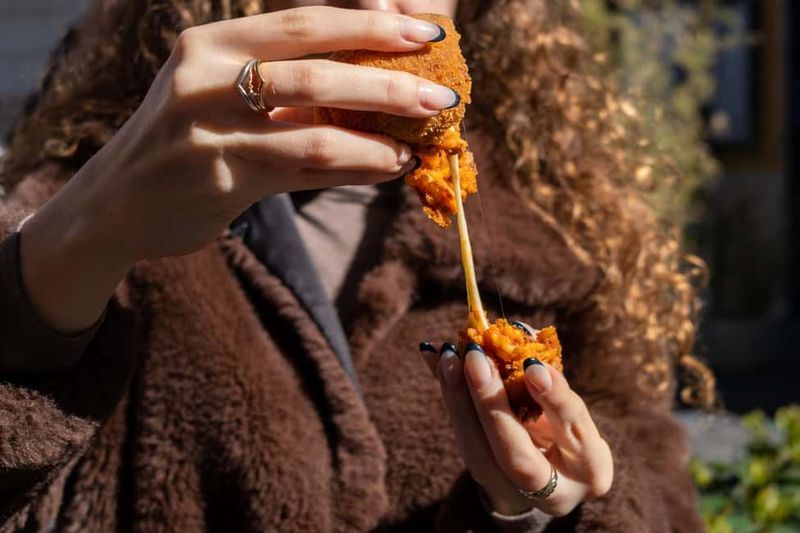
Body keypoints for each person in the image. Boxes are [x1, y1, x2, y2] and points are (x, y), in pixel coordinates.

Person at [0, 0, 713, 531]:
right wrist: (79, 238)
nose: (374, 5)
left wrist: (560, 506)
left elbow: (670, 506)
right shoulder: (108, 204)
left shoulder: (567, 240)